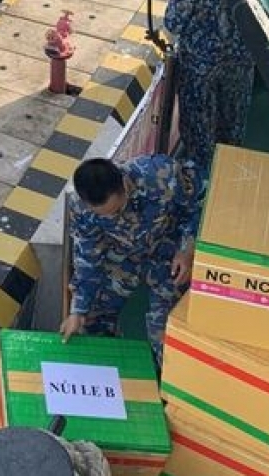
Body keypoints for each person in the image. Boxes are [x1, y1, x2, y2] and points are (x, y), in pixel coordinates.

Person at [61, 154, 207, 360]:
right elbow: (88, 257)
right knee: (89, 321)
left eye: (116, 209)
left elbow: (201, 205)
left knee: (168, 336)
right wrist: (78, 310)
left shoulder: (160, 174)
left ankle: (166, 377)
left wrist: (187, 250)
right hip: (124, 258)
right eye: (104, 215)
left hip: (168, 253)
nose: (112, 217)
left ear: (123, 184)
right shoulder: (80, 207)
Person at [164, 0, 255, 172]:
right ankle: (228, 178)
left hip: (199, 71)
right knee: (232, 128)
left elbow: (173, 23)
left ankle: (203, 184)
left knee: (199, 136)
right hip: (240, 65)